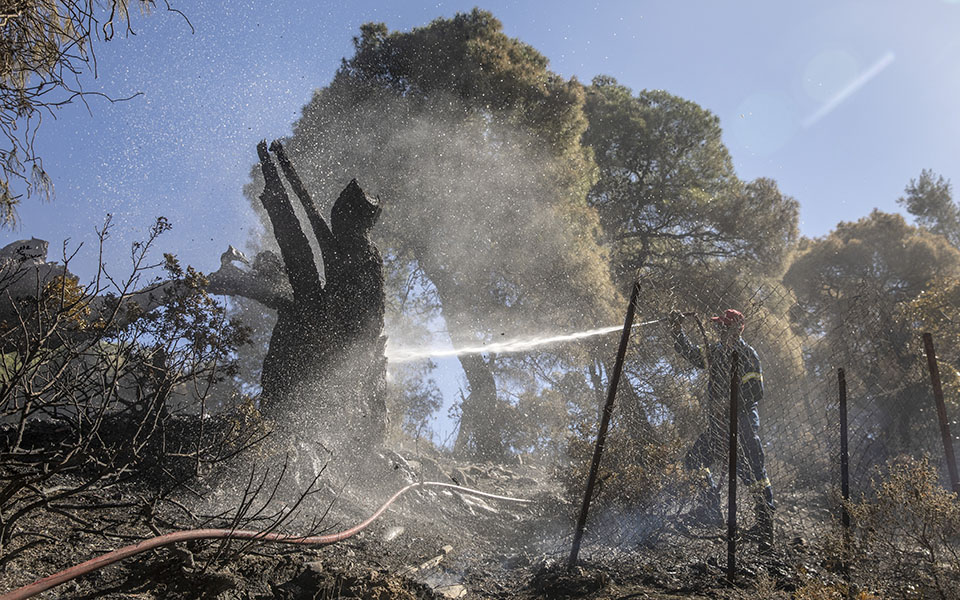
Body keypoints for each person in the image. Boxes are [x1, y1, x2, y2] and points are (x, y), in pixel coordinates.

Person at [670, 308, 775, 552]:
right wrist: (677, 331)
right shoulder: (716, 352)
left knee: (755, 476)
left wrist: (727, 403)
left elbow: (755, 391)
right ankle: (710, 509)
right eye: (718, 327)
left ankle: (764, 527)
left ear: (737, 329)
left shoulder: (747, 354)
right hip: (718, 427)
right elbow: (692, 355)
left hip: (743, 426)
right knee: (695, 461)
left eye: (724, 327)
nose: (720, 331)